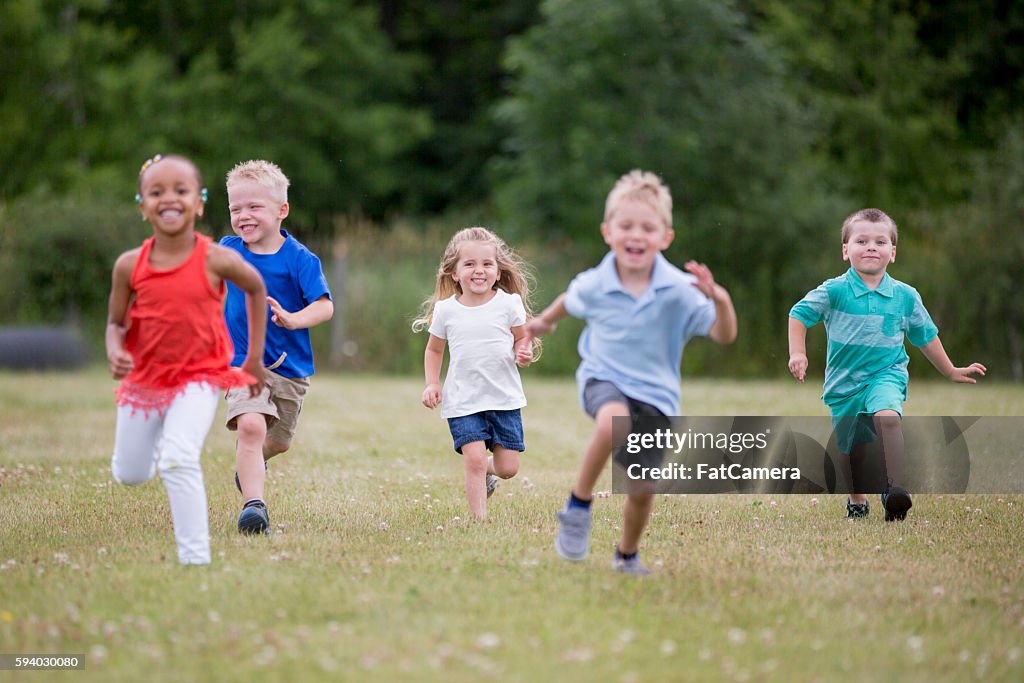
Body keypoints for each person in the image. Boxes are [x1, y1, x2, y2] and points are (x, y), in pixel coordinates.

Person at [525, 170, 737, 575]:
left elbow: (723, 334)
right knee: (613, 421)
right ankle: (578, 507)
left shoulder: (680, 289)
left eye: (647, 227)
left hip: (657, 397)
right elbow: (571, 299)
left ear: (665, 237)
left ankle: (626, 556)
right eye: (626, 226)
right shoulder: (597, 282)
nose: (635, 235)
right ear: (608, 232)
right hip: (602, 378)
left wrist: (721, 299)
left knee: (641, 489)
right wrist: (544, 323)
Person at [106, 154, 267, 565]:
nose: (168, 199)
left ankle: (195, 561)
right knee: (131, 473)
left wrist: (251, 360)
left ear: (199, 203)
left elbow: (255, 288)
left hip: (200, 376)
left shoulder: (215, 258)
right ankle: (158, 438)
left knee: (178, 458)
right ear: (143, 205)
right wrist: (115, 350)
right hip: (144, 381)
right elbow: (114, 323)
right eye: (156, 192)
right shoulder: (129, 265)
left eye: (181, 190)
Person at [788, 208, 986, 521]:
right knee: (851, 451)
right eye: (861, 240)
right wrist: (798, 353)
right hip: (843, 383)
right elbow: (798, 314)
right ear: (845, 250)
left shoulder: (905, 296)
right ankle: (857, 500)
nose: (870, 247)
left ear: (892, 253)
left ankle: (893, 489)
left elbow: (925, 336)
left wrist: (950, 369)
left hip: (886, 375)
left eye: (880, 242)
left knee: (888, 418)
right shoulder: (834, 291)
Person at [220, 160, 333, 535]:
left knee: (278, 442)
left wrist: (294, 319)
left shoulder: (300, 259)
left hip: (290, 369)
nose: (243, 216)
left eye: (254, 207)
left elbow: (324, 305)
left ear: (281, 210)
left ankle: (249, 463)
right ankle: (255, 507)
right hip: (241, 362)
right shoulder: (228, 250)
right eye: (236, 208)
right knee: (250, 426)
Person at [414, 227, 537, 519]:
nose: (478, 270)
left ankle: (487, 472)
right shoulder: (446, 311)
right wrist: (432, 384)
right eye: (469, 264)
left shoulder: (508, 304)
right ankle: (479, 520)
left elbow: (522, 336)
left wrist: (524, 350)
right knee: (474, 459)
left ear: (497, 272)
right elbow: (434, 350)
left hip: (503, 399)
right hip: (463, 400)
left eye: (486, 264)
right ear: (454, 272)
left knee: (508, 468)